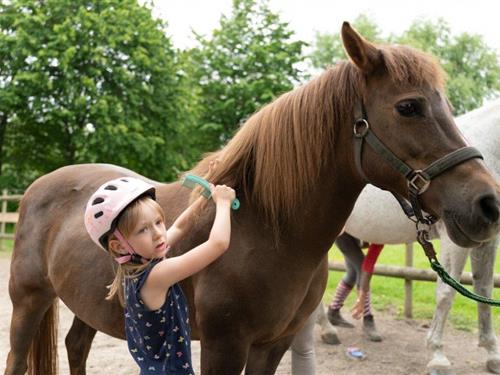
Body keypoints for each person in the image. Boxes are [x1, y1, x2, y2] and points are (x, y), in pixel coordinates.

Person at [84, 172, 235, 374]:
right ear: (119, 246)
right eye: (143, 230)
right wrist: (224, 204)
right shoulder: (157, 275)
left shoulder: (137, 265)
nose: (157, 233)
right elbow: (218, 244)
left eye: (158, 222)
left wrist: (204, 195)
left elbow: (180, 227)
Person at [327, 232, 384, 342]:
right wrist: (361, 298)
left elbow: (370, 263)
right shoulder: (381, 232)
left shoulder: (382, 236)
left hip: (353, 233)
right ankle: (367, 318)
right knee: (360, 265)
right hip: (343, 233)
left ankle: (333, 311)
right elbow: (366, 267)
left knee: (352, 273)